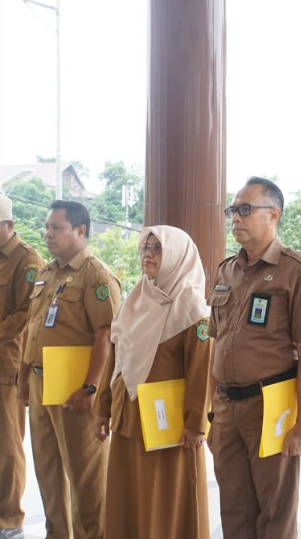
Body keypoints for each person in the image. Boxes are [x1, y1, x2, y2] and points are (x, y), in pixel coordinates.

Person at [207, 177, 301, 539]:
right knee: (234, 510)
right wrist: (212, 413)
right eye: (233, 210)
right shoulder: (226, 270)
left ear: (273, 215)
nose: (235, 218)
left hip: (270, 408)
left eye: (245, 210)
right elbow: (216, 343)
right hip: (227, 408)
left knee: (274, 513)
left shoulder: (297, 271)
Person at [92, 226, 212, 538]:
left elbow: (201, 372)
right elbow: (116, 361)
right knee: (127, 498)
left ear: (176, 255)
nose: (148, 254)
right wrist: (102, 409)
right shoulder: (136, 298)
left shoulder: (191, 308)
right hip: (128, 418)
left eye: (157, 248)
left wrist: (196, 423)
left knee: (165, 502)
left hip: (169, 428)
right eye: (145, 247)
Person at [19, 200, 121, 539]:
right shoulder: (48, 272)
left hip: (76, 392)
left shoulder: (95, 275)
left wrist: (91, 388)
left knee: (86, 478)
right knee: (48, 474)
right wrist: (23, 379)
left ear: (81, 231)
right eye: (47, 227)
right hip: (40, 383)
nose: (48, 233)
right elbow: (32, 328)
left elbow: (107, 334)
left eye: (56, 227)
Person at [0, 195, 44, 539]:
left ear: (9, 225)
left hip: (7, 366)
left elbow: (25, 314)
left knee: (7, 446)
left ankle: (10, 521)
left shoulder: (27, 260)